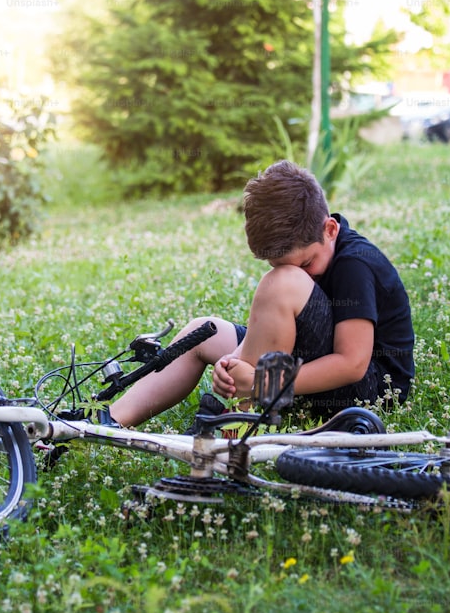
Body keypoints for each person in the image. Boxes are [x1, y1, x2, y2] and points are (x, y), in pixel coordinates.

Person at [107, 159, 414, 429]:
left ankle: (236, 427)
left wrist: (259, 384)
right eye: (284, 265)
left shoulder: (355, 264)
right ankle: (107, 421)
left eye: (306, 263)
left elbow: (352, 364)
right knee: (204, 332)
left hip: (369, 393)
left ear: (330, 229)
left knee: (279, 285)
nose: (302, 274)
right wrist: (234, 363)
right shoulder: (316, 246)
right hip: (304, 368)